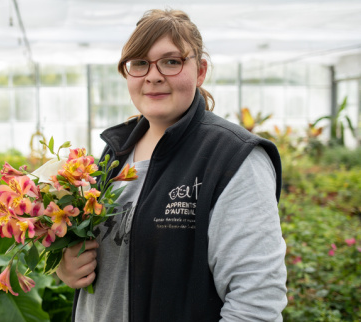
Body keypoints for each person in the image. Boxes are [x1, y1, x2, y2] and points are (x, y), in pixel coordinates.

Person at [56, 8, 287, 322]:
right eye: (139, 63)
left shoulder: (233, 159)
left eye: (171, 61)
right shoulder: (114, 152)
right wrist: (68, 266)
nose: (153, 75)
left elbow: (256, 303)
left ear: (200, 70)